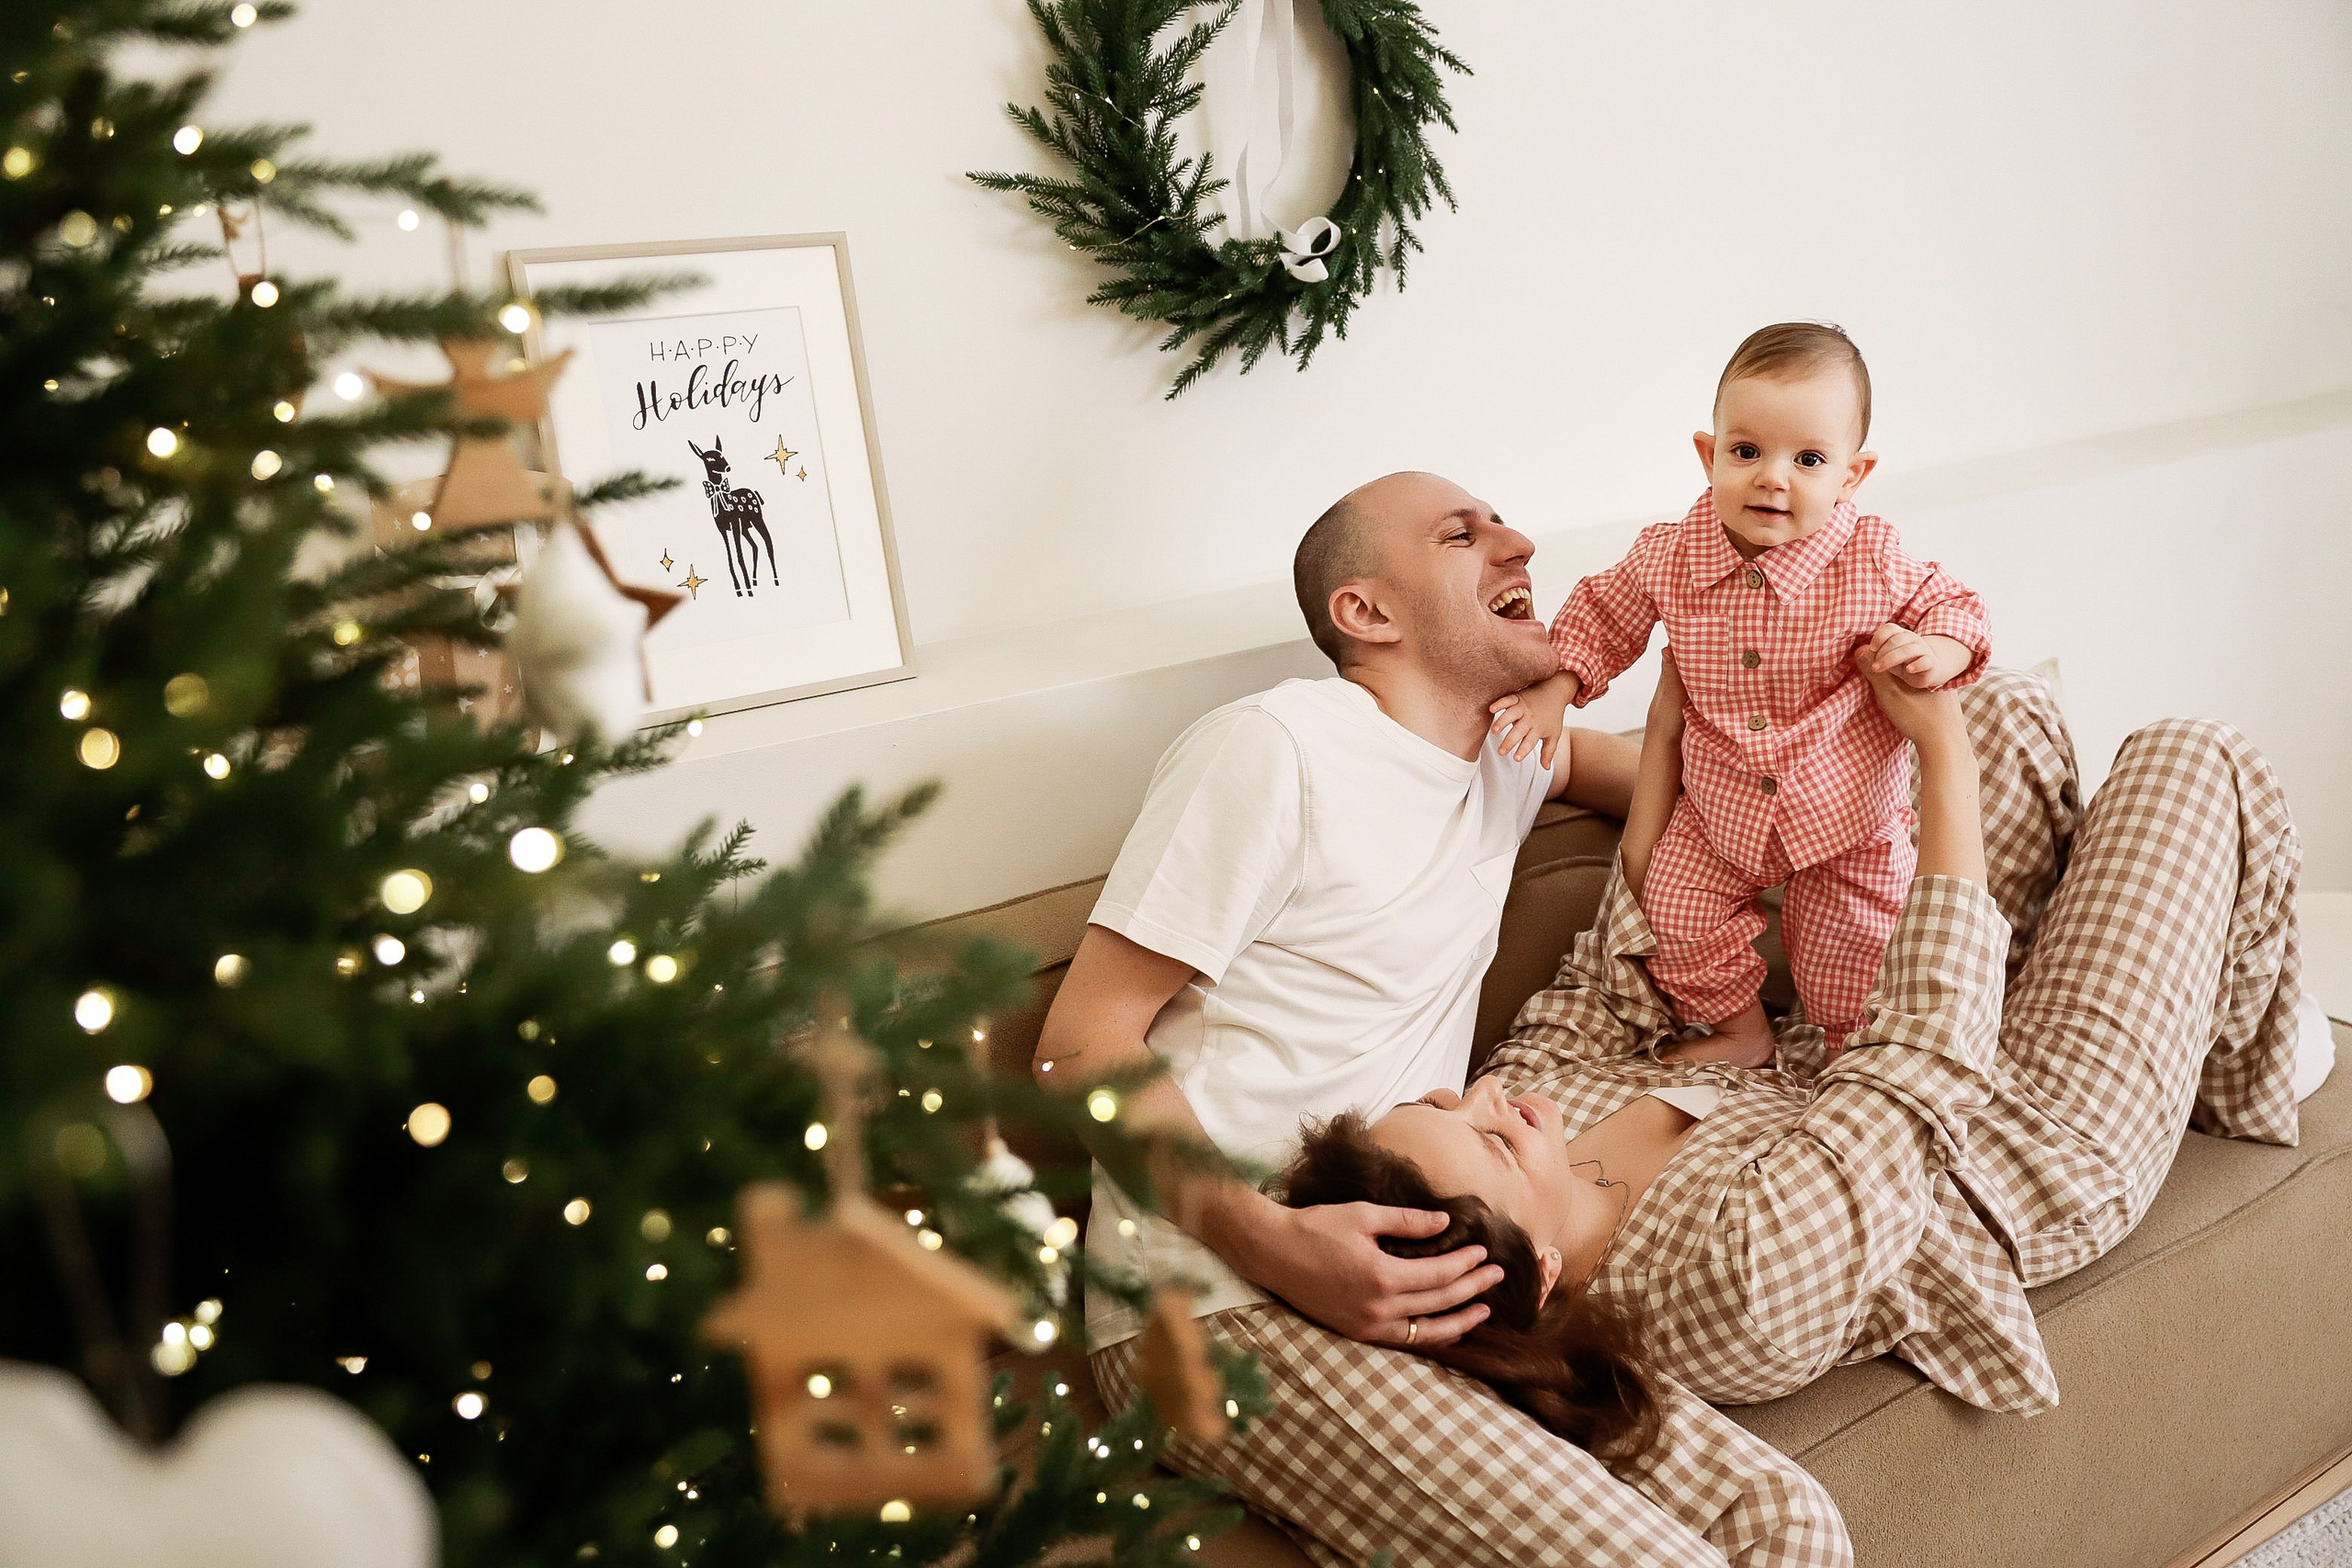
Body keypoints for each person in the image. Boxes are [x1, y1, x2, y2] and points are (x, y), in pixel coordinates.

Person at [1035, 472, 1851, 1567]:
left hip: (1446, 1264)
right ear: (1365, 613)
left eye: (1501, 520)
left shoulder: (1506, 756)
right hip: (1218, 1298)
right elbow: (1076, 1046)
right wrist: (1276, 1246)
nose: (1516, 541)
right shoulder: (1276, 748)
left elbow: (1697, 791)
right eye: (1461, 535)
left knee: (1783, 1522)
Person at [1308, 649, 2304, 1416]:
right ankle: (2232, 1071)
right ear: (1544, 1269)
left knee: (2002, 704)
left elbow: (1623, 951)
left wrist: (1672, 720)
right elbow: (1918, 1064)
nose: (1491, 1094)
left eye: (1444, 1099)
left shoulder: (1530, 1104)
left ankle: (2116, 957)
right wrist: (1938, 756)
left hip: (1848, 1033)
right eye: (1487, 1137)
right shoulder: (1727, 1285)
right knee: (2190, 753)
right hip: (2017, 1140)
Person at [1490, 323, 1991, 1062]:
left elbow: (1959, 607)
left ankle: (1847, 1053)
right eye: (1747, 451)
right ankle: (1741, 1030)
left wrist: (1937, 649)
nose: (1773, 477)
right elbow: (1604, 614)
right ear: (1709, 454)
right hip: (1722, 809)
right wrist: (1555, 691)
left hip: (1846, 820)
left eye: (1809, 459)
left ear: (1851, 475)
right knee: (1675, 915)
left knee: (1845, 963)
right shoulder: (1671, 553)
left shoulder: (1871, 557)